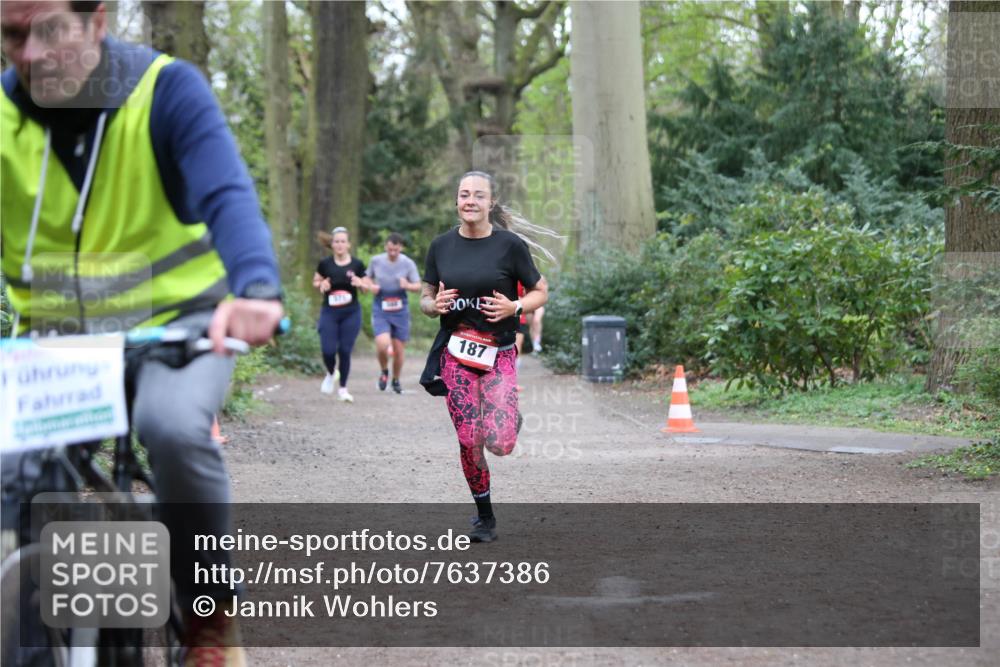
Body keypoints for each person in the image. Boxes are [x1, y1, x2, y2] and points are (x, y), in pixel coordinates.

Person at [0, 2, 283, 665]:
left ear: (97, 22)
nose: (31, 54)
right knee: (14, 472)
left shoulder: (165, 90)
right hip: (55, 343)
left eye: (52, 31)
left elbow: (227, 196)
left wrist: (257, 291)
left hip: (179, 330)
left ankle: (210, 616)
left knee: (176, 429)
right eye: (13, 35)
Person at [420, 171, 550, 543]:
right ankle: (484, 516)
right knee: (469, 437)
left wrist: (516, 306)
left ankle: (509, 419)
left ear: (491, 203)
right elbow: (426, 295)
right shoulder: (441, 246)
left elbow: (542, 292)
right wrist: (433, 305)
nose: (470, 201)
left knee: (501, 444)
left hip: (499, 353)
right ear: (456, 201)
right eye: (464, 194)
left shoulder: (509, 246)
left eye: (478, 195)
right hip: (456, 352)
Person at [313, 226, 367, 402]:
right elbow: (316, 281)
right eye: (336, 241)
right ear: (332, 244)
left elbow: (368, 287)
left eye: (343, 241)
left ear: (348, 244)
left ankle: (343, 388)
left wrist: (360, 283)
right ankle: (331, 373)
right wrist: (322, 285)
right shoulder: (325, 264)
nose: (339, 244)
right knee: (328, 350)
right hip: (330, 312)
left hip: (351, 312)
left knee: (344, 350)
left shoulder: (357, 265)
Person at [366, 232, 421, 394]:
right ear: (386, 247)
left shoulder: (408, 263)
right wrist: (371, 286)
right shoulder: (376, 261)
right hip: (381, 306)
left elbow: (418, 286)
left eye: (396, 250)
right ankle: (384, 371)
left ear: (401, 248)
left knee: (398, 350)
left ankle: (396, 379)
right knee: (382, 345)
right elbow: (366, 278)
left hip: (400, 308)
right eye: (390, 249)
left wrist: (408, 286)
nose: (392, 253)